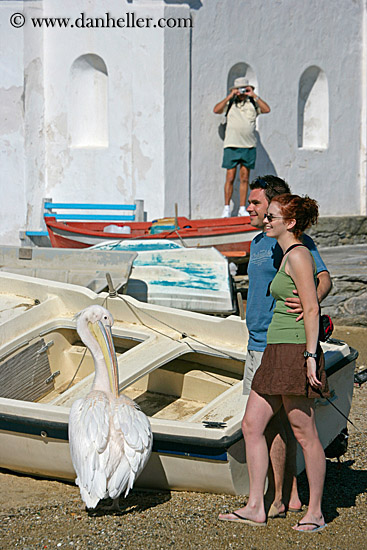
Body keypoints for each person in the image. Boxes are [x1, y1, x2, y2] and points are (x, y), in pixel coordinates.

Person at [219, 175, 331, 523]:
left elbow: (319, 286)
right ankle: (262, 504)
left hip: (288, 345)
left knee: (295, 428)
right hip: (261, 344)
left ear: (278, 209)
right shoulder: (260, 243)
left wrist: (310, 350)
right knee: (256, 425)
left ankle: (293, 500)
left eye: (258, 205)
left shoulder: (297, 248)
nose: (252, 210)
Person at [213, 77, 270, 218]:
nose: (242, 92)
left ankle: (242, 207)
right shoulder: (231, 103)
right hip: (232, 144)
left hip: (248, 146)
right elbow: (216, 110)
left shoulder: (252, 103)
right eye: (240, 89)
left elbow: (266, 109)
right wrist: (230, 96)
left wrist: (254, 96)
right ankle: (226, 208)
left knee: (244, 178)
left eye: (245, 89)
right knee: (230, 177)